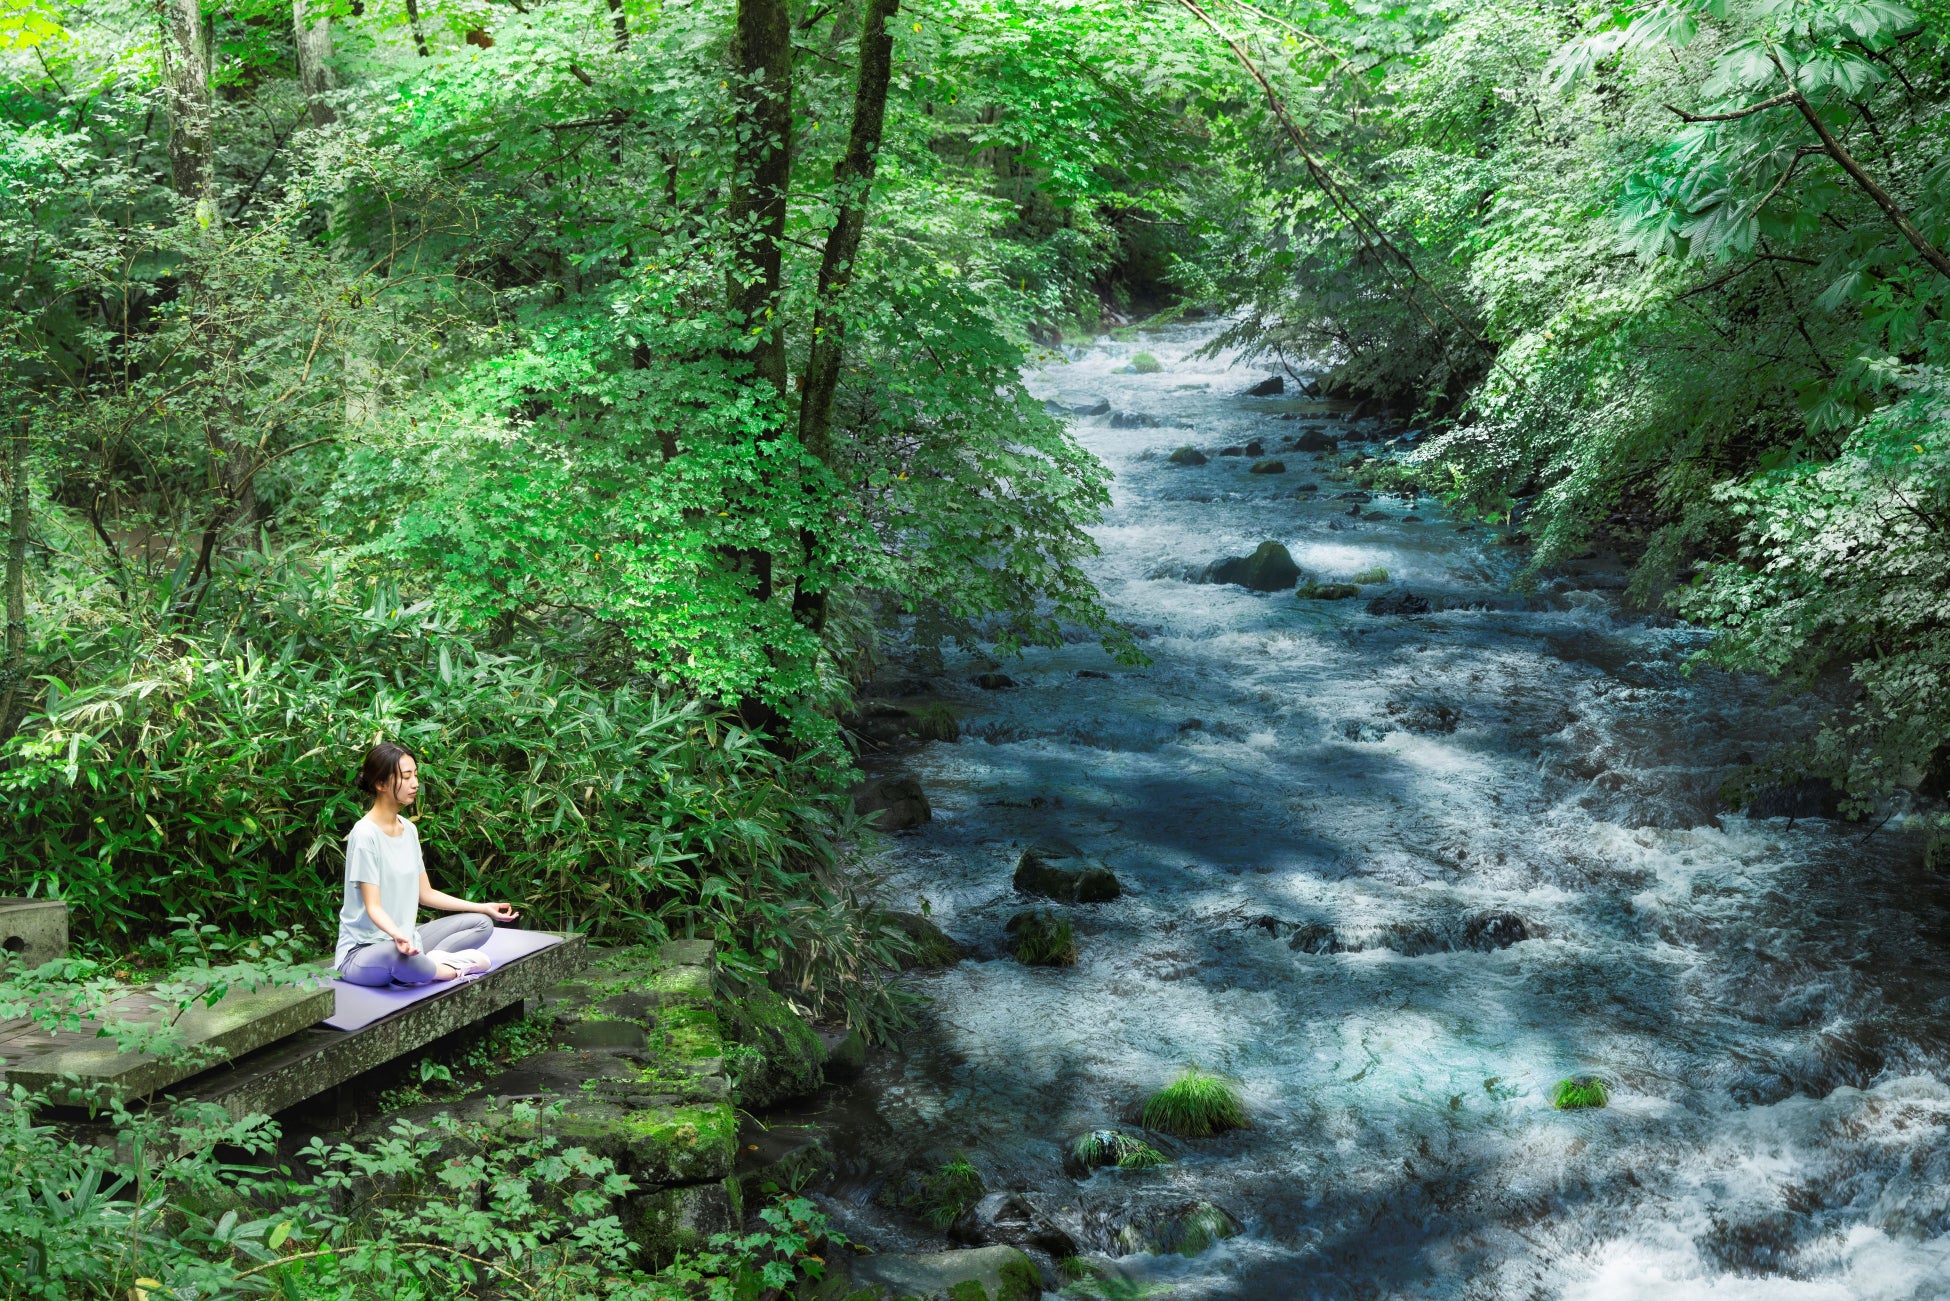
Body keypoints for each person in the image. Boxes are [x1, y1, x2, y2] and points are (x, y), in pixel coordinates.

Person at [334, 741, 519, 987]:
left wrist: (483, 906)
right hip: (363, 951)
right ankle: (449, 970)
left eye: (416, 775)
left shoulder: (408, 830)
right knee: (395, 956)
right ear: (381, 784)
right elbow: (373, 907)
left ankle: (425, 965)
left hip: (408, 942)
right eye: (406, 776)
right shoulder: (365, 834)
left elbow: (426, 893)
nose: (415, 783)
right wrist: (398, 935)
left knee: (481, 923)